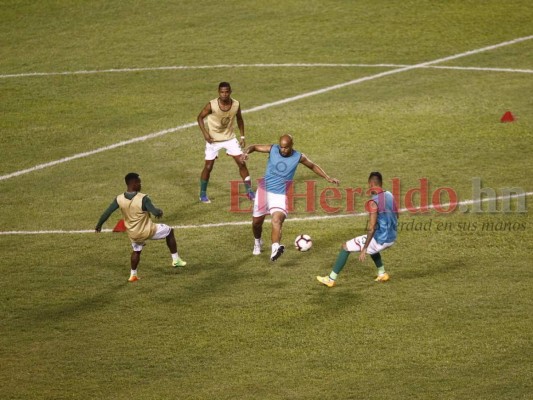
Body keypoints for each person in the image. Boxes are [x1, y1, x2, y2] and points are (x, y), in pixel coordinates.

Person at [242, 134, 339, 261]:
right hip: (263, 191)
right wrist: (246, 152)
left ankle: (275, 248)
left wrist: (327, 177)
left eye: (286, 148)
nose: (283, 150)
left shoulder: (298, 156)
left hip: (280, 195)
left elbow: (313, 166)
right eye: (281, 147)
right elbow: (254, 147)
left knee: (276, 220)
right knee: (256, 223)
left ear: (291, 146)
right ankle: (257, 242)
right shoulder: (273, 149)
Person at [95, 173, 187, 282]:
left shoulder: (119, 199)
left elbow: (107, 213)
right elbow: (155, 212)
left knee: (136, 251)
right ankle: (176, 259)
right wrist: (159, 212)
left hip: (133, 233)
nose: (140, 184)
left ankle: (133, 275)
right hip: (148, 230)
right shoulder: (143, 198)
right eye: (139, 182)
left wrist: (98, 226)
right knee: (169, 231)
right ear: (134, 184)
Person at [317, 171, 398, 287]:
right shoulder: (389, 194)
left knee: (346, 247)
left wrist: (364, 248)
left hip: (381, 239)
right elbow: (397, 214)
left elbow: (372, 227)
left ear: (370, 184)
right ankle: (382, 273)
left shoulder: (373, 202)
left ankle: (330, 279)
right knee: (372, 247)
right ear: (381, 183)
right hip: (392, 236)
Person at [197, 82, 254, 203]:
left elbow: (239, 119)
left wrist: (242, 137)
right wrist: (205, 134)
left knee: (242, 163)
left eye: (227, 91)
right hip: (213, 140)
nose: (224, 94)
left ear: (230, 92)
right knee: (208, 166)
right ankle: (202, 194)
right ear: (219, 92)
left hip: (229, 138)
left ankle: (249, 191)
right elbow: (199, 117)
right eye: (222, 92)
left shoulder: (236, 104)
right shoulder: (211, 105)